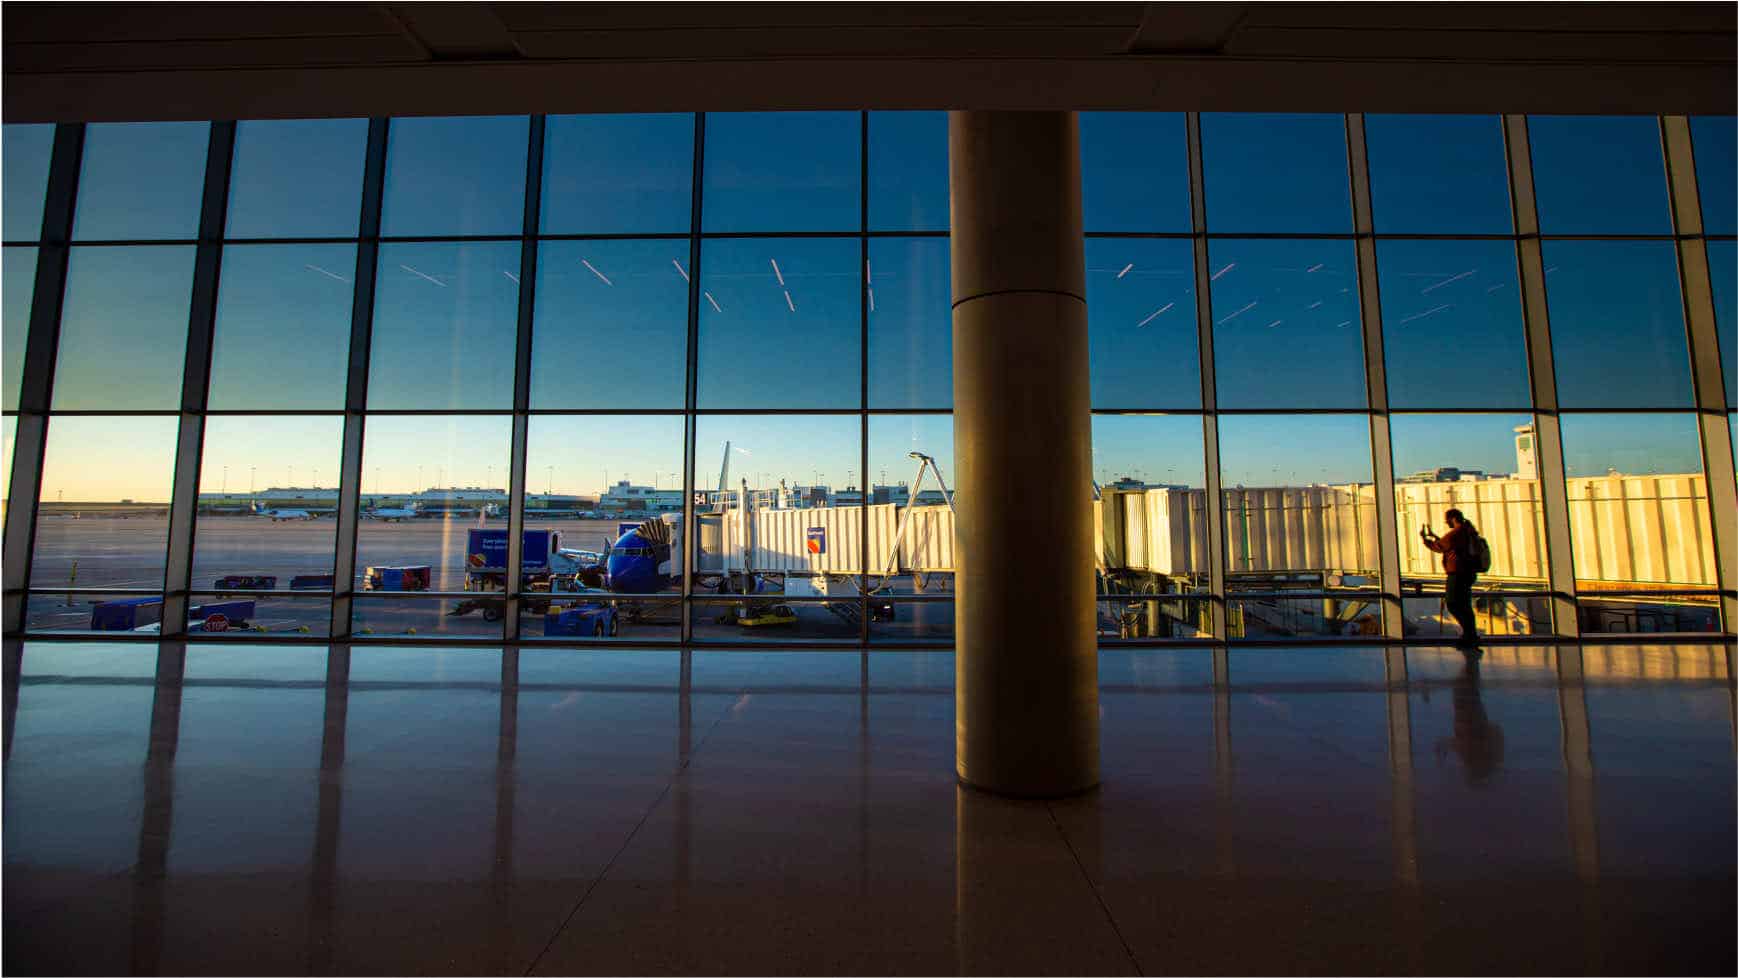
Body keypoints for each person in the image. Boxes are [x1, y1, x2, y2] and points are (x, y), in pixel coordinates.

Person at [1421, 508, 1480, 649]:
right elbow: (1450, 547)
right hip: (1468, 573)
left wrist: (1425, 539)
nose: (1447, 523)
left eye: (1447, 520)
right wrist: (1435, 536)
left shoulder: (1456, 533)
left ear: (1453, 518)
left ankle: (1469, 635)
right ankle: (1471, 636)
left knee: (1453, 603)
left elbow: (1440, 547)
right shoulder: (1469, 530)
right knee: (1465, 605)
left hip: (1457, 574)